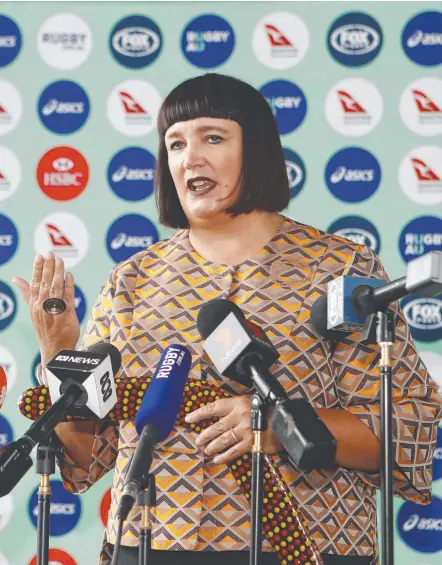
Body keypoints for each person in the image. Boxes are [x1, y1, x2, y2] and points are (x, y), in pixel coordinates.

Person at [13, 73, 442, 565]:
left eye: (212, 138)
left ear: (255, 150)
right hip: (153, 545)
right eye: (175, 144)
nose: (189, 158)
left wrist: (276, 424)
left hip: (305, 547)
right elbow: (87, 462)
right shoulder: (130, 282)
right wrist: (59, 349)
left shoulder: (340, 268)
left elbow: (406, 431)